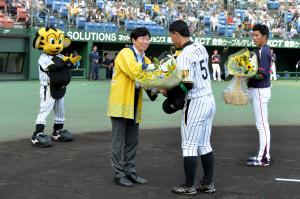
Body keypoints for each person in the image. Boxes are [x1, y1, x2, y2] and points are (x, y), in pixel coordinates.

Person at [167, 20, 216, 195]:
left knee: (189, 145)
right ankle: (208, 183)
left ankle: (188, 186)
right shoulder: (201, 47)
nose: (171, 39)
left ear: (176, 34)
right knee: (204, 144)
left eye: (171, 36)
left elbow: (187, 84)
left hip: (196, 103)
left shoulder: (184, 55)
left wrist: (170, 92)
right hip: (209, 100)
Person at [107, 27, 158, 187]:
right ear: (133, 40)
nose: (146, 41)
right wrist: (154, 72)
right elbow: (135, 71)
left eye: (148, 39)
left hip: (135, 105)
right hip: (121, 104)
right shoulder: (125, 53)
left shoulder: (147, 60)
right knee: (118, 143)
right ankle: (118, 173)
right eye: (143, 38)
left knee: (132, 142)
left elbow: (151, 80)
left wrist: (160, 86)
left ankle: (130, 172)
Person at [246, 24, 272, 167]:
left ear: (264, 37)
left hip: (260, 91)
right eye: (253, 35)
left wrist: (245, 74)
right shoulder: (261, 50)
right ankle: (263, 154)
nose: (254, 38)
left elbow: (261, 75)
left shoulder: (264, 51)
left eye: (257, 35)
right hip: (258, 91)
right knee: (261, 125)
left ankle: (263, 158)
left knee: (262, 126)